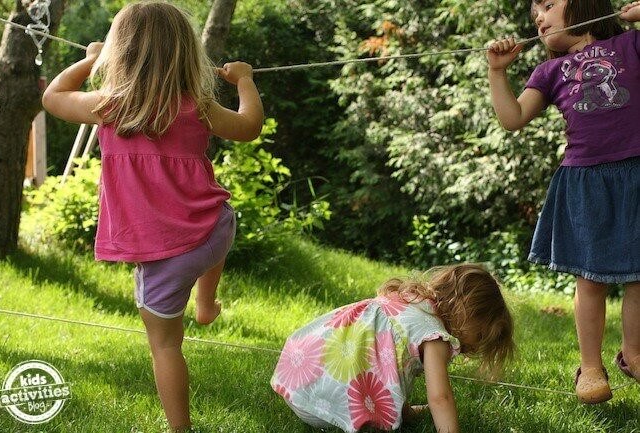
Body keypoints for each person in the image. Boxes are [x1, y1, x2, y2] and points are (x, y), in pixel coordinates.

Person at [42, 2, 264, 431]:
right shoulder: (198, 106)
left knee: (165, 345)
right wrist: (246, 81)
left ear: (118, 54)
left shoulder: (109, 106)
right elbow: (249, 124)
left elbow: (52, 97)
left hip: (165, 257)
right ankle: (205, 302)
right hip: (216, 228)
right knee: (213, 233)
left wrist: (88, 62)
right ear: (186, 54)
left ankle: (180, 428)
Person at [486, 0, 640, 404]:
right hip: (586, 179)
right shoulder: (548, 71)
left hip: (637, 172)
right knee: (590, 279)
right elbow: (513, 118)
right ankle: (590, 367)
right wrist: (497, 72)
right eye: (534, 14)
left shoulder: (631, 45)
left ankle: (634, 352)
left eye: (548, 5)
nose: (538, 18)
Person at [271, 264, 514, 433]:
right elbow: (440, 397)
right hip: (327, 412)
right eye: (481, 334)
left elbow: (386, 364)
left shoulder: (410, 301)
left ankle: (401, 412)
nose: (479, 344)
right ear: (467, 311)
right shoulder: (436, 336)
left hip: (299, 386)